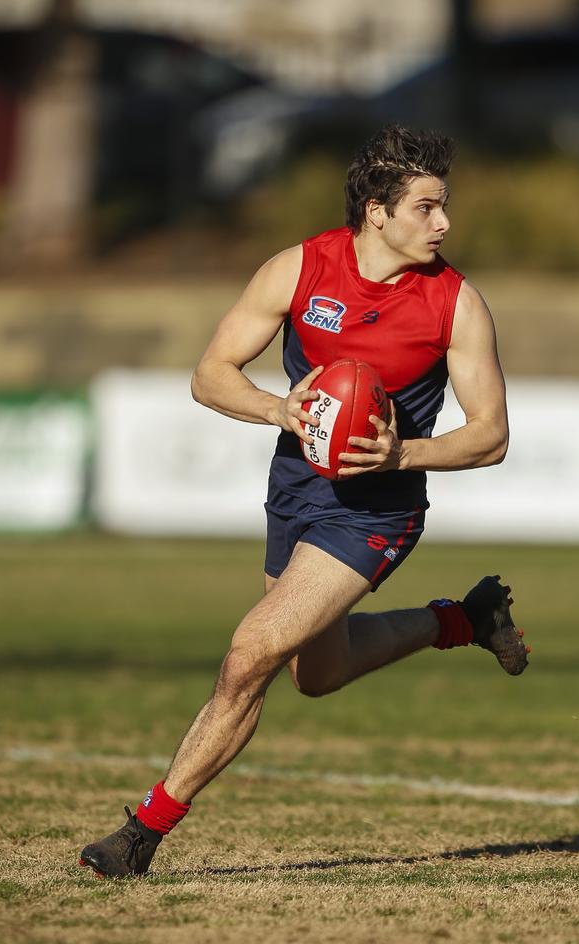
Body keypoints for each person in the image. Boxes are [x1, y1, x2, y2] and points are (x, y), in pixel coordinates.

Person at [80, 123, 529, 878]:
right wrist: (279, 409)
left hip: (376, 510)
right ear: (377, 213)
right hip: (293, 489)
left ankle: (141, 834)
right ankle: (463, 618)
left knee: (251, 652)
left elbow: (490, 436)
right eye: (427, 208)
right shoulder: (299, 269)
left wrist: (401, 452)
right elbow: (211, 373)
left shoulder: (455, 303)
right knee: (314, 674)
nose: (444, 223)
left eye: (444, 206)